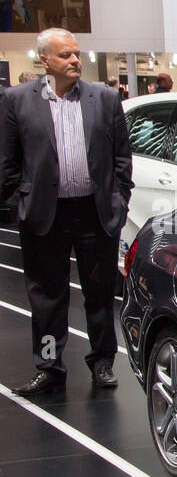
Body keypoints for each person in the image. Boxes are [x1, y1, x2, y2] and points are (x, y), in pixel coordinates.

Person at [0, 28, 132, 394]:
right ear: (45, 60)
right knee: (46, 297)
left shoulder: (104, 99)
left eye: (76, 54)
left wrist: (119, 201)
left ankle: (102, 362)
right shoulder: (17, 100)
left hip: (95, 212)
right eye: (65, 56)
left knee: (100, 294)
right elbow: (8, 162)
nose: (75, 61)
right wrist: (20, 204)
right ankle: (49, 366)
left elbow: (122, 157)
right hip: (45, 214)